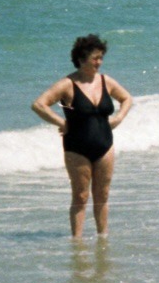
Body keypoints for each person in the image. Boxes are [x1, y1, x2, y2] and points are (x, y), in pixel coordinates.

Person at [32, 33, 135, 237]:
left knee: (102, 194)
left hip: (105, 145)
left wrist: (119, 118)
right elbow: (38, 104)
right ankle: (77, 241)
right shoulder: (67, 84)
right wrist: (61, 122)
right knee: (80, 195)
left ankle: (102, 238)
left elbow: (127, 98)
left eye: (101, 57)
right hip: (77, 147)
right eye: (95, 58)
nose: (99, 62)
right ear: (81, 59)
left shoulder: (106, 81)